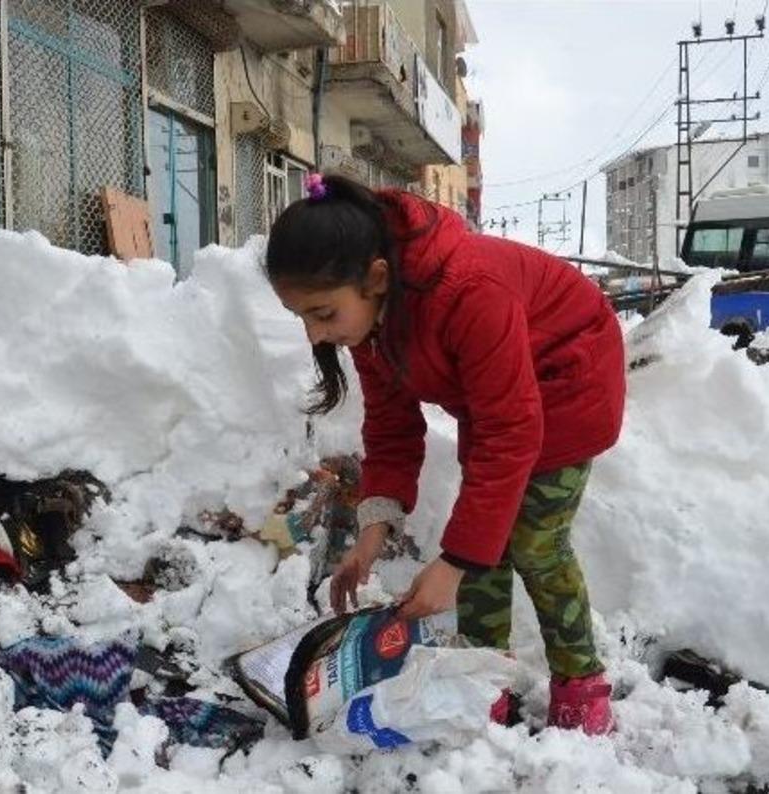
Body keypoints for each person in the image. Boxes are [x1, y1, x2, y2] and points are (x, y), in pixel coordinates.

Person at [264, 173, 625, 735]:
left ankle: (581, 681)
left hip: (571, 380)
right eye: (303, 317)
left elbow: (512, 431)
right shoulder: (374, 322)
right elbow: (390, 427)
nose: (314, 335)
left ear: (376, 277)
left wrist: (454, 564)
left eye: (324, 314)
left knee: (532, 542)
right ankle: (486, 675)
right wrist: (373, 531)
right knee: (482, 539)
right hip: (499, 398)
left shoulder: (467, 289)